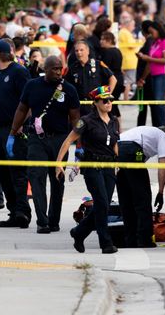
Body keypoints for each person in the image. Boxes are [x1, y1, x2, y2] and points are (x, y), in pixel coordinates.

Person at [10, 55, 80, 234]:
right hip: (36, 139)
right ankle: (42, 220)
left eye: (60, 68)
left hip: (60, 140)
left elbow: (75, 118)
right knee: (36, 177)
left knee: (57, 180)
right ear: (45, 69)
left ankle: (54, 220)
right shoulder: (32, 86)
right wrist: (12, 133)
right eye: (54, 69)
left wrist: (79, 143)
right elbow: (21, 109)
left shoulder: (69, 89)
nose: (58, 72)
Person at [56, 86, 119, 254]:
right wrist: (59, 163)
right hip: (92, 166)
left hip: (109, 167)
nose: (109, 103)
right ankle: (105, 243)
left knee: (102, 206)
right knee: (102, 203)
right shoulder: (86, 120)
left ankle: (79, 232)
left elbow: (114, 143)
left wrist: (118, 164)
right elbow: (68, 140)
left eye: (110, 100)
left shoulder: (113, 120)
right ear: (96, 102)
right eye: (105, 100)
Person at [0, 40, 32, 228]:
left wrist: (19, 125)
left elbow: (28, 102)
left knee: (17, 173)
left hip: (14, 131)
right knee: (3, 173)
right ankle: (13, 211)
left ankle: (22, 211)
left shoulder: (18, 72)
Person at [117, 126, 165, 248]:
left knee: (126, 199)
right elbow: (163, 165)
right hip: (132, 150)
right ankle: (144, 239)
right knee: (143, 198)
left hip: (118, 149)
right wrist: (161, 192)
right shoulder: (163, 136)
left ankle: (130, 239)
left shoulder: (146, 135)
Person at [137, 21, 165, 127]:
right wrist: (142, 78)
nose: (151, 35)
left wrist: (148, 58)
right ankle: (160, 126)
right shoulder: (154, 43)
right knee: (157, 102)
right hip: (154, 75)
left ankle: (163, 126)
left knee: (159, 101)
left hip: (164, 74)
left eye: (152, 32)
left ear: (158, 30)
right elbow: (150, 63)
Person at [66, 40, 117, 116]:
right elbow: (67, 85)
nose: (79, 53)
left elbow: (113, 79)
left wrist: (107, 96)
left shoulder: (98, 64)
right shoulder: (72, 68)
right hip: (79, 107)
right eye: (76, 51)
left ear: (88, 51)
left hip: (95, 105)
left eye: (81, 50)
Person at [118, 12, 139, 100]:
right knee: (128, 82)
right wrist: (138, 41)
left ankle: (126, 98)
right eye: (132, 25)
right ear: (128, 25)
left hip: (128, 61)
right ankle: (126, 99)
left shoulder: (125, 32)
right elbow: (131, 45)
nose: (133, 28)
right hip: (129, 61)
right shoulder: (125, 32)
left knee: (128, 81)